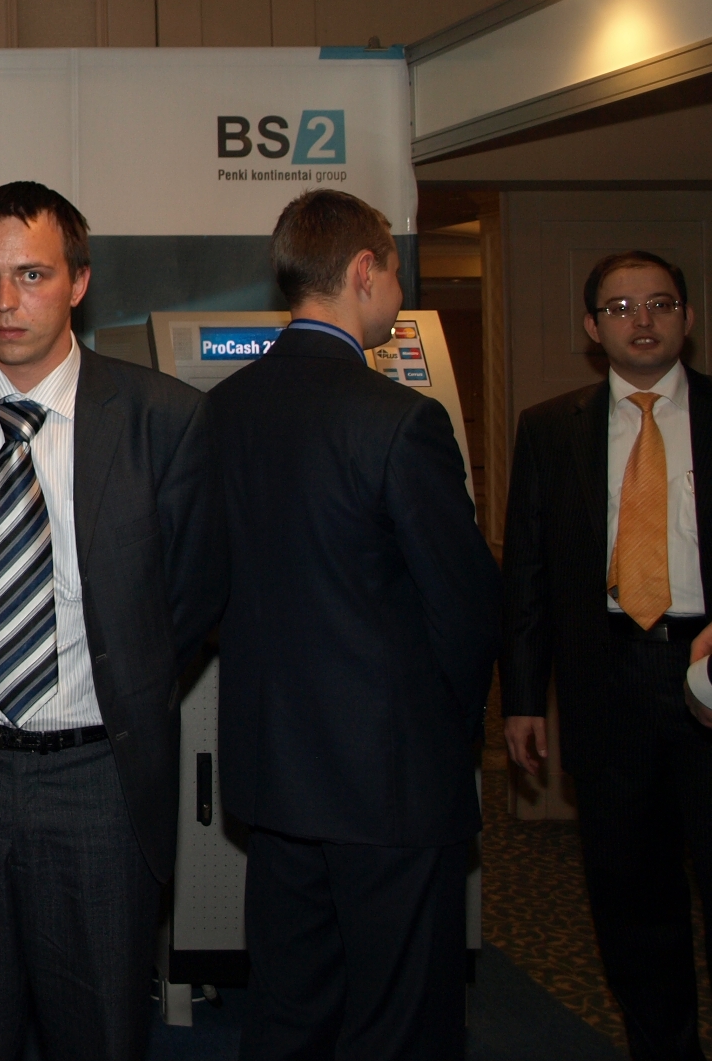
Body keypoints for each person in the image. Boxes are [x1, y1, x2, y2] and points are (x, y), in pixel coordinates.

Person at [0, 181, 218, 1061]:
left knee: (98, 1028)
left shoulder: (163, 418)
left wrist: (125, 684)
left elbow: (190, 597)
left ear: (79, 281)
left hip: (97, 773)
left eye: (31, 274)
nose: (5, 300)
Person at [207, 189, 500, 1061]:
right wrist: (450, 733)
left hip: (275, 774)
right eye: (397, 273)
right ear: (364, 270)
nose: (399, 294)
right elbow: (463, 605)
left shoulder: (223, 409)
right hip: (390, 784)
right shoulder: (402, 420)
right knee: (400, 1024)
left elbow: (206, 583)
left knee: (290, 1011)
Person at [504, 250, 709, 1060]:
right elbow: (527, 572)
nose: (642, 320)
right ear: (593, 328)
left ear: (688, 317)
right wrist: (523, 697)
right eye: (621, 308)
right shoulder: (552, 428)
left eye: (660, 303)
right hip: (609, 681)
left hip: (708, 670)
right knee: (632, 897)